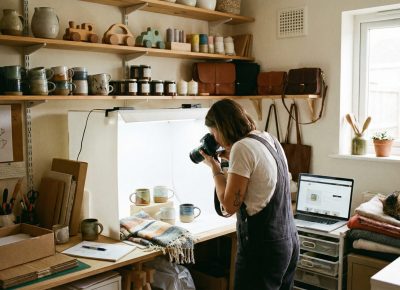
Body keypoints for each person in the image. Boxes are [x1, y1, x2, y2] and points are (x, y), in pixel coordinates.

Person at [199, 99, 299, 290]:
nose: (215, 139)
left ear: (221, 127)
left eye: (214, 133)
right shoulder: (267, 138)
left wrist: (215, 169)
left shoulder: (242, 148)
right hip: (288, 241)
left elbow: (228, 206)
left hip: (263, 247)